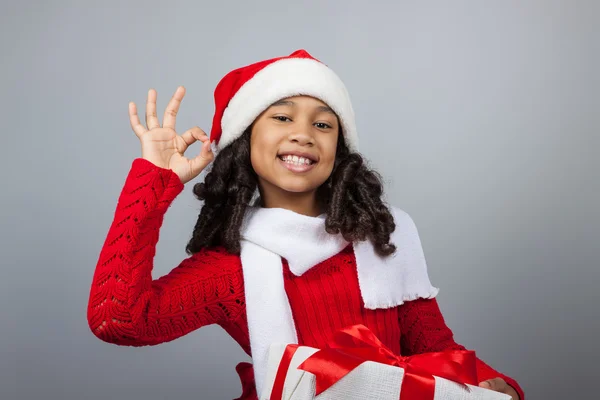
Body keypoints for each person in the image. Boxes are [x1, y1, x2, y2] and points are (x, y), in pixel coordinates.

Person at [87, 49, 524, 400]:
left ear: (340, 148)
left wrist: (492, 382)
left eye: (323, 123)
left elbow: (434, 348)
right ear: (246, 141)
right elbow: (118, 320)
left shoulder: (381, 238)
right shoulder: (229, 269)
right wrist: (154, 180)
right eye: (282, 117)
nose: (303, 134)